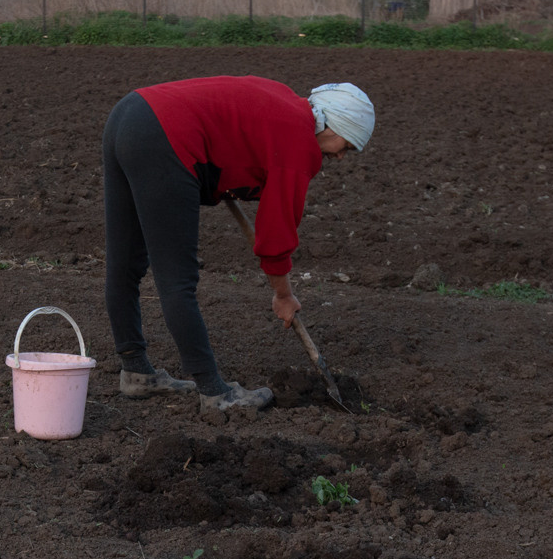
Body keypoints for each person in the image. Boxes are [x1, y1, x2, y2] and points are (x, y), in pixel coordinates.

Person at [101, 77, 375, 413]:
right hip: (166, 138)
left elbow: (231, 136)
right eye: (346, 146)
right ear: (334, 125)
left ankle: (136, 372)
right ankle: (216, 394)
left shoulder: (286, 103)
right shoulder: (299, 145)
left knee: (125, 263)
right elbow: (275, 237)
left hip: (130, 113)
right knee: (177, 280)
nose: (343, 157)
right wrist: (284, 295)